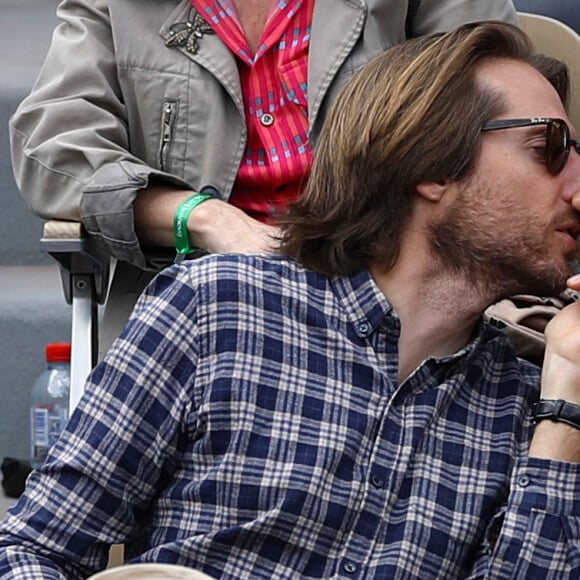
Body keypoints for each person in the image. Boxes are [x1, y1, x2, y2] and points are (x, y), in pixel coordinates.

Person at [3, 20, 580, 578]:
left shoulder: (531, 406)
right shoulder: (217, 313)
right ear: (434, 166)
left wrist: (566, 402)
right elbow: (33, 551)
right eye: (549, 147)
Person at [9, 0, 519, 354]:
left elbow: (506, 117)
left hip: (397, 301)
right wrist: (201, 218)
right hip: (201, 319)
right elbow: (50, 145)